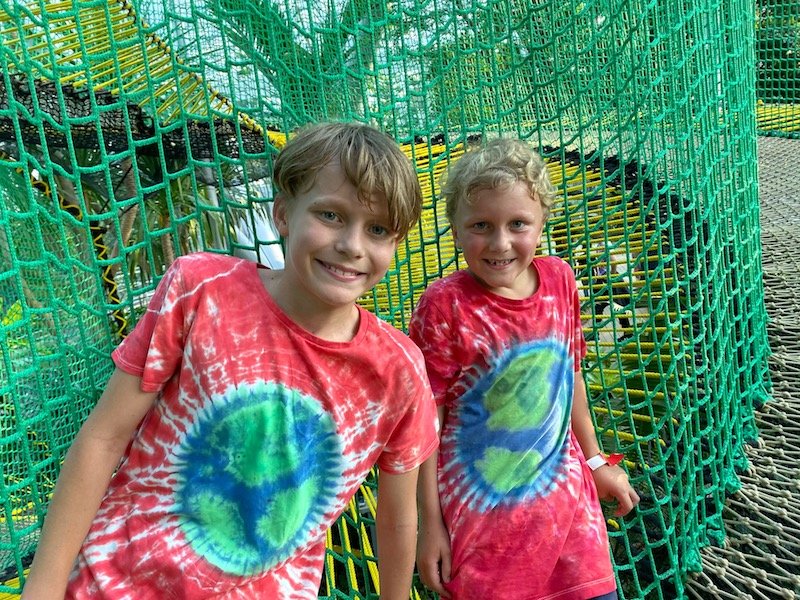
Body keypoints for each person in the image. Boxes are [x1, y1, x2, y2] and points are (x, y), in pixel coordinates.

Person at [21, 121, 439, 599]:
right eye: (330, 215)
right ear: (283, 213)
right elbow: (104, 436)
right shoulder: (201, 290)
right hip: (118, 583)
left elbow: (398, 514)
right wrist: (44, 586)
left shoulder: (397, 370)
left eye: (378, 229)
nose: (351, 245)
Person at [408, 138, 640, 600]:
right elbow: (422, 423)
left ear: (541, 224)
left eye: (518, 224)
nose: (500, 243)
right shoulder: (446, 306)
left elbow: (569, 373)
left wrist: (596, 461)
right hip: (484, 523)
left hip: (570, 511)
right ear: (454, 229)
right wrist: (428, 525)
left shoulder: (559, 279)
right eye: (481, 225)